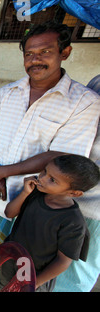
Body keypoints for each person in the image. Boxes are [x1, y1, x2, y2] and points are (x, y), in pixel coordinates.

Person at [0, 21, 100, 244]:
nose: (35, 60)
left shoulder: (84, 102)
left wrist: (0, 172)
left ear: (65, 52)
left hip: (30, 199)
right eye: (29, 54)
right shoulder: (8, 92)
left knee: (9, 255)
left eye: (45, 52)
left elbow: (60, 157)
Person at [0, 154, 99, 291]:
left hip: (33, 276)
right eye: (44, 171)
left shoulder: (73, 222)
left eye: (52, 180)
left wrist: (34, 283)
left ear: (74, 193)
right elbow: (9, 213)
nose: (42, 178)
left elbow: (63, 261)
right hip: (8, 262)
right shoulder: (35, 193)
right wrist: (24, 193)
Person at [53, 75, 100, 292]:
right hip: (64, 193)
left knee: (79, 269)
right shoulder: (97, 83)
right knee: (50, 257)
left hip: (95, 210)